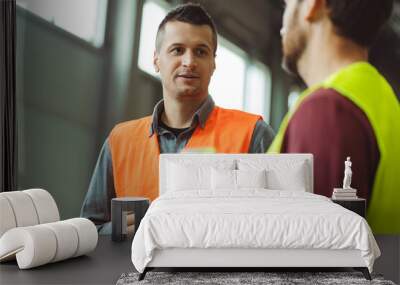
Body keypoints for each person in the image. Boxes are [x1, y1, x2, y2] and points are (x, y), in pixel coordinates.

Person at [81, 3, 275, 234]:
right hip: (134, 269)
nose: (189, 61)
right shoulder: (120, 141)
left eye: (201, 51)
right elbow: (92, 228)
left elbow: (275, 225)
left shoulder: (253, 133)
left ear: (213, 63)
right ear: (156, 60)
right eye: (177, 50)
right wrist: (144, 225)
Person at [270, 0, 399, 234]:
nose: (283, 22)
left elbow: (314, 259)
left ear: (312, 5)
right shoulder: (380, 98)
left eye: (288, 3)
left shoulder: (325, 111)